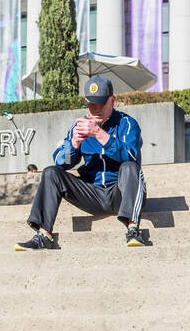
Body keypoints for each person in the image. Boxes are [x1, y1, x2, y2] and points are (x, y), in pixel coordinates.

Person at [16, 76, 147, 251]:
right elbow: (60, 162)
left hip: (121, 193)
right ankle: (43, 235)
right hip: (91, 193)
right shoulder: (78, 126)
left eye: (100, 103)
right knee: (50, 172)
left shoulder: (127, 124)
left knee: (129, 167)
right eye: (91, 104)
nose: (95, 109)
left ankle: (133, 230)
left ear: (113, 100)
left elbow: (131, 156)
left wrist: (100, 135)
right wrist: (73, 146)